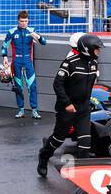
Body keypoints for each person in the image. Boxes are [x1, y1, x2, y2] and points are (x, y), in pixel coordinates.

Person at [37, 33, 101, 177]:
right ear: (87, 48)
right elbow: (57, 84)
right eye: (96, 48)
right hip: (68, 108)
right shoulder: (70, 63)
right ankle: (43, 156)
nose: (99, 51)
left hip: (84, 109)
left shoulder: (94, 63)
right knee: (58, 139)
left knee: (85, 143)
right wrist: (66, 103)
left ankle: (84, 178)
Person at [3, 10, 47, 119]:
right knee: (18, 87)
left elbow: (44, 42)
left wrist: (37, 36)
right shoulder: (12, 31)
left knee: (32, 86)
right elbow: (4, 46)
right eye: (22, 21)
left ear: (28, 21)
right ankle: (21, 110)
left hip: (28, 62)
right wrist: (4, 57)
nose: (24, 23)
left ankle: (34, 111)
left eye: (26, 21)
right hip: (16, 63)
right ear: (18, 21)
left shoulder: (32, 30)